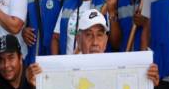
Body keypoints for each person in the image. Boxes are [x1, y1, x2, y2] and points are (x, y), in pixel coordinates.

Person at [28, 8, 159, 75]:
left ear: (106, 40)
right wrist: (34, 78)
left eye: (100, 35)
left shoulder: (117, 68)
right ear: (78, 40)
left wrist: (148, 77)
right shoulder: (65, 70)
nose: (95, 42)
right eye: (89, 35)